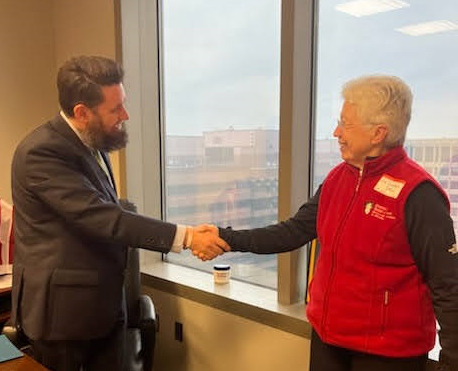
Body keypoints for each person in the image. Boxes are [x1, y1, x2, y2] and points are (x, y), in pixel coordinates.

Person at [204, 75, 458, 371]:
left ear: (378, 133)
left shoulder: (419, 194)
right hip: (330, 340)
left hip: (388, 354)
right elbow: (293, 231)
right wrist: (226, 238)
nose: (337, 132)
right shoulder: (338, 179)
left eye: (346, 124)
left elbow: (448, 285)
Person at [11, 55, 229, 371]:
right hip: (65, 319)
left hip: (105, 307)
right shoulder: (41, 153)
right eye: (115, 109)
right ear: (82, 113)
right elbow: (104, 218)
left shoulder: (92, 141)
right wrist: (187, 236)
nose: (125, 115)